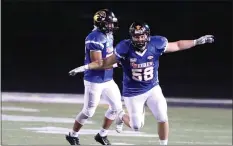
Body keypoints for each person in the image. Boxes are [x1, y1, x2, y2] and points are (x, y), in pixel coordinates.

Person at [69, 21, 214, 145]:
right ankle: (120, 115)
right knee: (136, 126)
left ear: (148, 35)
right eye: (136, 36)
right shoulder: (124, 48)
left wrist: (197, 41)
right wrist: (86, 67)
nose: (139, 39)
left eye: (142, 36)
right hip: (133, 92)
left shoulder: (157, 43)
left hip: (152, 87)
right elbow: (105, 62)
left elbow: (177, 45)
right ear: (131, 37)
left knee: (162, 116)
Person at [66, 9, 124, 145]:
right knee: (88, 112)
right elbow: (98, 63)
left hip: (108, 79)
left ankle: (102, 135)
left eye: (112, 23)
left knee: (116, 108)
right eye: (108, 23)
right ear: (100, 23)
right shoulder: (94, 37)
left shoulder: (108, 35)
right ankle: (73, 135)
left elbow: (109, 55)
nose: (111, 26)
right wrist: (117, 64)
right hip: (94, 80)